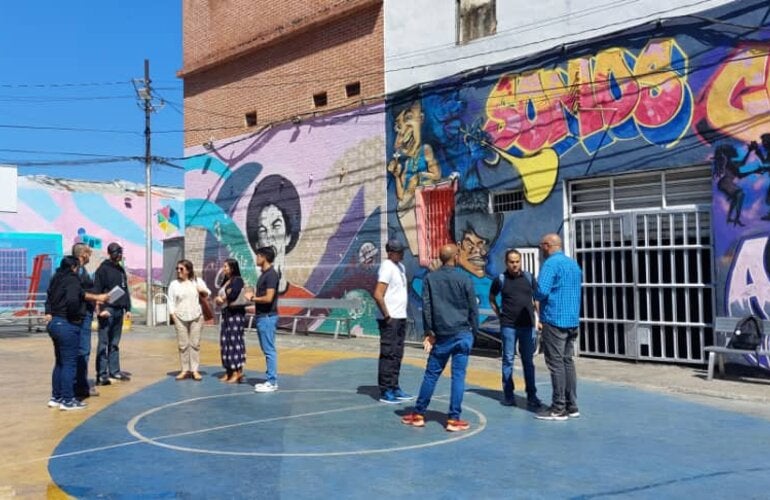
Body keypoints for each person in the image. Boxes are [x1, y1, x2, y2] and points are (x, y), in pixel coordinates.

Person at [401, 244, 478, 432]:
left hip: (442, 334)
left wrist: (429, 332)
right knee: (458, 377)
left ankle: (418, 414)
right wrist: (473, 332)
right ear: (456, 257)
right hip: (462, 333)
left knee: (431, 374)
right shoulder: (465, 278)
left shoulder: (430, 279)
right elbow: (472, 308)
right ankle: (453, 419)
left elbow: (427, 308)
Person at [45, 256, 108, 410]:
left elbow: (49, 298)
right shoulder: (72, 279)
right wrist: (76, 318)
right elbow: (74, 299)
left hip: (55, 323)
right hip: (67, 324)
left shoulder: (56, 278)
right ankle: (68, 400)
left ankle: (56, 397)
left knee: (60, 362)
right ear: (74, 267)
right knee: (69, 363)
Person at [533, 233, 583, 421]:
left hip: (554, 319)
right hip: (571, 319)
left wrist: (535, 294)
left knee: (556, 364)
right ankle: (572, 405)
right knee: (567, 361)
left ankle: (558, 407)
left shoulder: (550, 264)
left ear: (547, 246)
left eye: (541, 246)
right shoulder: (573, 264)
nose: (540, 249)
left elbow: (541, 291)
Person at [488, 248, 541, 408]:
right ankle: (509, 395)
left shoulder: (529, 278)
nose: (515, 265)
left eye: (517, 261)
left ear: (520, 262)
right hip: (509, 326)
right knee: (508, 360)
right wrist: (499, 314)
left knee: (528, 361)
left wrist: (540, 318)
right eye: (511, 262)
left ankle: (532, 395)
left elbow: (536, 299)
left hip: (527, 327)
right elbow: (491, 297)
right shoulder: (500, 279)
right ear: (506, 263)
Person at [373, 238, 413, 404]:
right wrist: (387, 315)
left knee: (397, 354)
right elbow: (378, 294)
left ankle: (395, 386)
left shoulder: (400, 267)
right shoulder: (387, 267)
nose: (402, 254)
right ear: (391, 252)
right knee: (388, 353)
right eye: (399, 251)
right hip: (390, 318)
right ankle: (386, 390)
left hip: (400, 316)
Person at [93, 242, 132, 386]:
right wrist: (100, 309)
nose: (120, 255)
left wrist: (127, 309)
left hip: (119, 310)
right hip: (107, 310)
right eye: (117, 252)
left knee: (114, 343)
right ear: (111, 253)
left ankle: (114, 371)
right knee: (104, 343)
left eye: (121, 252)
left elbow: (125, 289)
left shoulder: (120, 270)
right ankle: (102, 374)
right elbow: (96, 291)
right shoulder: (102, 270)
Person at [167, 259, 211, 381]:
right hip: (180, 317)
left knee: (195, 344)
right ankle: (185, 370)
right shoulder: (174, 284)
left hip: (196, 316)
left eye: (181, 269)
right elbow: (170, 301)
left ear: (188, 270)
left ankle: (195, 370)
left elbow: (208, 293)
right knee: (183, 345)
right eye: (177, 269)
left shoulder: (197, 281)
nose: (178, 271)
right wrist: (173, 316)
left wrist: (201, 290)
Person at [245, 246, 280, 393]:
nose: (256, 258)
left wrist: (252, 298)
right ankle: (270, 379)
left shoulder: (271, 275)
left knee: (269, 350)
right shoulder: (264, 274)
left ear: (264, 257)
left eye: (258, 256)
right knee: (267, 349)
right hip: (262, 316)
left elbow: (269, 298)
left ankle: (272, 381)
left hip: (267, 317)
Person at [71, 243, 99, 399]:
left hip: (84, 313)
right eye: (88, 253)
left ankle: (79, 383)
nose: (90, 256)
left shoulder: (79, 270)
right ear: (83, 254)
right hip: (82, 315)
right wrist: (97, 297)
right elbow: (81, 293)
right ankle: (80, 386)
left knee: (80, 350)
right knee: (82, 351)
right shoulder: (78, 271)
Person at [214, 258, 247, 384]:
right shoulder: (226, 281)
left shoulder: (238, 280)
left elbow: (233, 295)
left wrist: (221, 299)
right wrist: (219, 299)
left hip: (235, 315)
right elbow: (225, 296)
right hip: (226, 314)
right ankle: (228, 371)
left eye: (226, 266)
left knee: (235, 342)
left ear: (232, 268)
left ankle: (237, 372)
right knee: (225, 342)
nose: (224, 268)